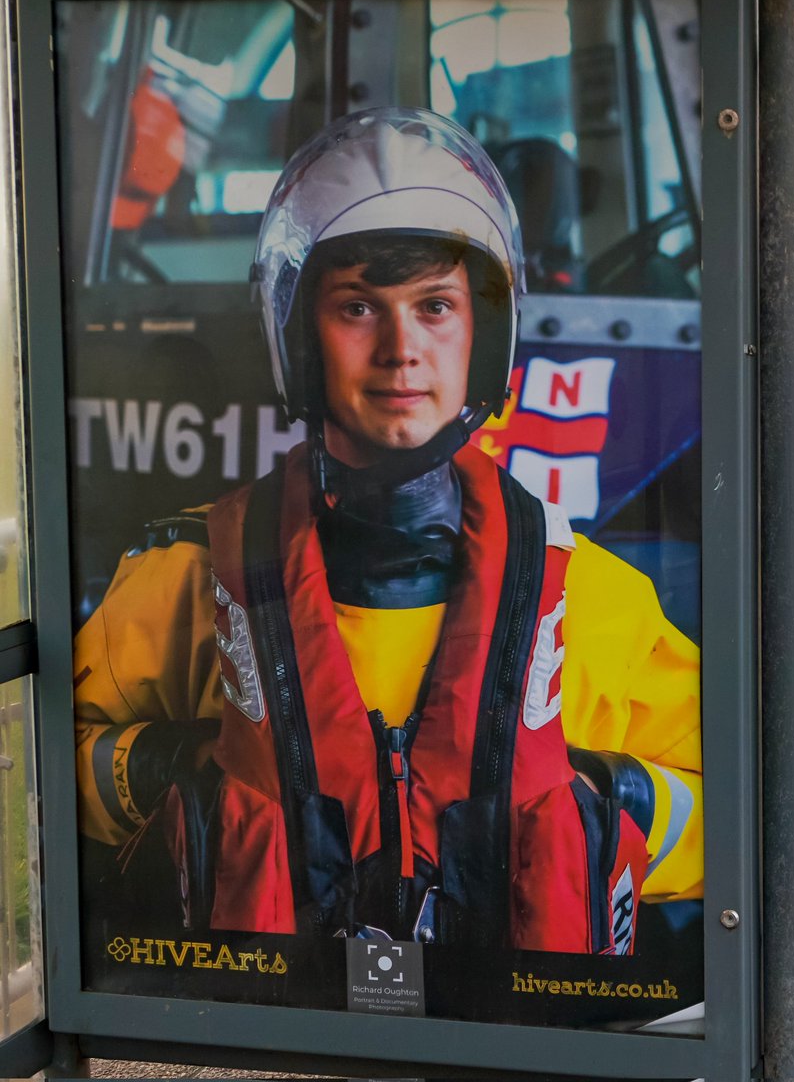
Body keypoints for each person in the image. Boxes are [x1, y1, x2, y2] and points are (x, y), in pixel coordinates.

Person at [73, 109, 702, 953]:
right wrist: (178, 778)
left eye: (436, 306)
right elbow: (43, 766)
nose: (401, 350)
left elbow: (734, 803)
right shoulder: (183, 583)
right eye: (358, 307)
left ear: (484, 335)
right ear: (297, 337)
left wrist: (589, 805)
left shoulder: (596, 602)